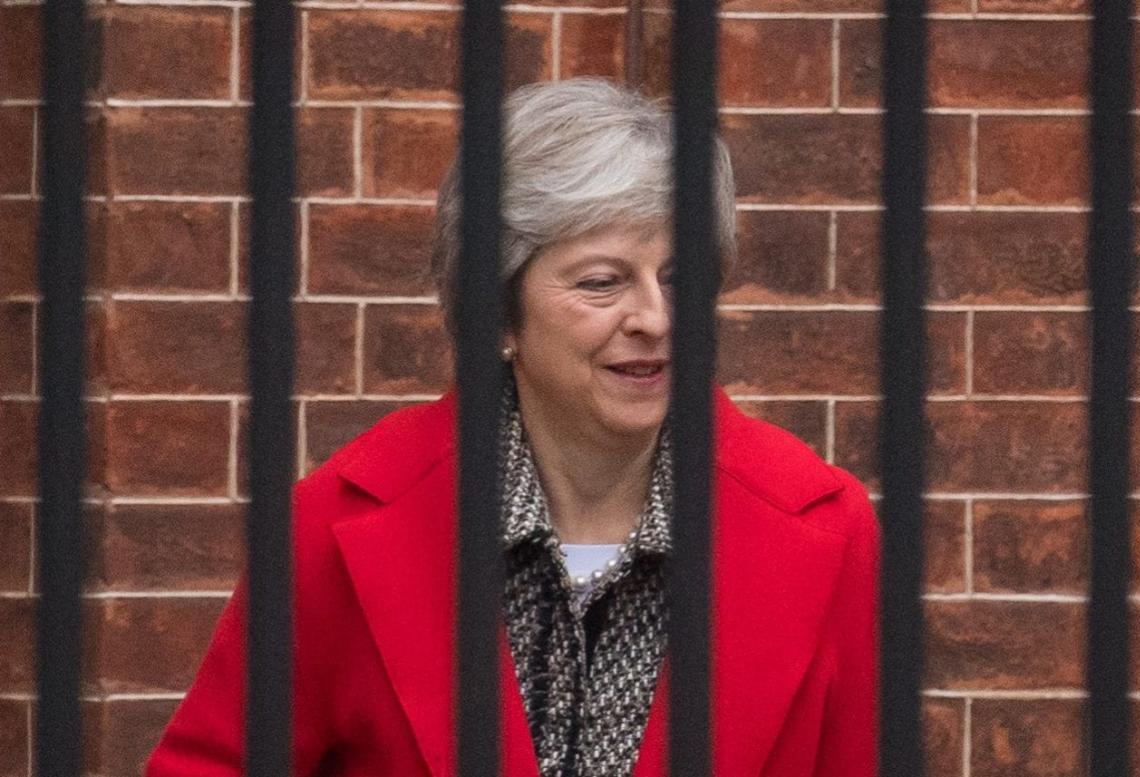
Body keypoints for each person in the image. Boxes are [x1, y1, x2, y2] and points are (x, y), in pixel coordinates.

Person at [146, 77, 878, 777]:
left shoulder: (827, 529)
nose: (655, 318)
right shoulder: (336, 524)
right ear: (497, 310)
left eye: (679, 278)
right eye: (602, 281)